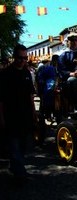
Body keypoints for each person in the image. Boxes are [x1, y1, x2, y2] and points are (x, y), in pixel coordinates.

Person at [0, 44, 37, 179]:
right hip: (11, 115)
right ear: (14, 57)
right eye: (20, 58)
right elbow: (1, 99)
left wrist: (33, 112)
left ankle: (15, 166)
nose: (22, 60)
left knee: (22, 145)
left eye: (25, 58)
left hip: (25, 114)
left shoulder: (27, 73)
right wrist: (1, 117)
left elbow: (30, 95)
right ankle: (20, 174)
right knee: (14, 144)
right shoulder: (5, 74)